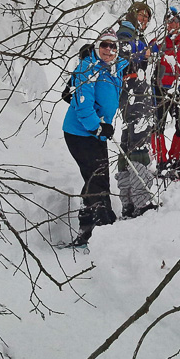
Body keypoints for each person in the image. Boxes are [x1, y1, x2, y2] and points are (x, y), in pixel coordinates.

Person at [62, 29, 127, 246]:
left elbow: (128, 64)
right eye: (104, 45)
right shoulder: (88, 68)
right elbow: (83, 105)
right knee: (96, 180)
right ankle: (97, 229)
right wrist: (97, 127)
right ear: (97, 46)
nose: (109, 49)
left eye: (113, 46)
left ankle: (98, 222)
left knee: (99, 178)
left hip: (97, 133)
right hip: (80, 133)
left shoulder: (114, 67)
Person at [115, 1, 157, 218]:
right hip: (134, 96)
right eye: (141, 15)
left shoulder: (135, 35)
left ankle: (128, 202)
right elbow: (123, 60)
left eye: (147, 17)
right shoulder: (126, 33)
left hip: (133, 95)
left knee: (128, 144)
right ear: (132, 14)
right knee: (139, 144)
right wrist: (143, 55)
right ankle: (141, 201)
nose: (144, 20)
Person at [150, 6, 180, 179]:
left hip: (177, 91)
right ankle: (161, 162)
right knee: (158, 126)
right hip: (159, 90)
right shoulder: (160, 41)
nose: (172, 24)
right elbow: (147, 53)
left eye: (175, 21)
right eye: (169, 21)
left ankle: (175, 160)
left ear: (179, 24)